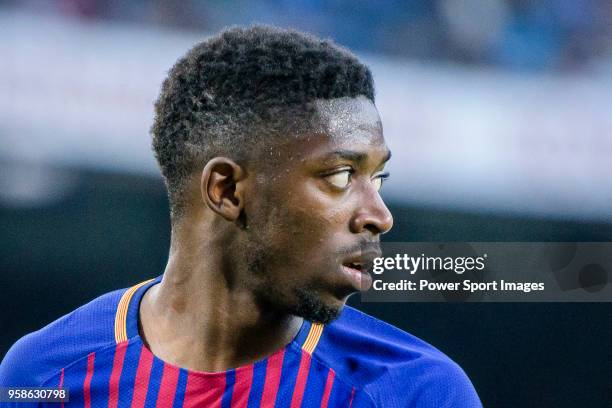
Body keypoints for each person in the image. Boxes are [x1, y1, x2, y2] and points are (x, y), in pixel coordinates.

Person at [0, 26, 481, 407]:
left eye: (378, 179)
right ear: (226, 190)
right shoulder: (43, 378)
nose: (379, 215)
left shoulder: (416, 392)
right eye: (339, 176)